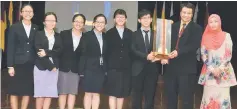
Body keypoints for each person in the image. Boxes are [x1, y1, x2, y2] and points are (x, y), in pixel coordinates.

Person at [161, 3, 203, 109]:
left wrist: (178, 52)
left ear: (192, 14)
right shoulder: (172, 26)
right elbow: (165, 43)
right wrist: (163, 56)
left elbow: (194, 45)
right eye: (184, 12)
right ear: (180, 13)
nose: (186, 15)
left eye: (189, 13)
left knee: (186, 100)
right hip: (171, 69)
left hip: (187, 70)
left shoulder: (197, 28)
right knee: (170, 99)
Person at [198, 14, 237, 109]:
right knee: (208, 97)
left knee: (223, 98)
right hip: (209, 71)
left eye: (216, 21)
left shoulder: (226, 35)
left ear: (219, 22)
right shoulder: (205, 37)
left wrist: (220, 68)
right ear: (208, 24)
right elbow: (204, 54)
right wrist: (212, 68)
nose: (213, 24)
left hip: (223, 72)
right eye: (211, 22)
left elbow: (228, 55)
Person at [6, 4, 38, 109]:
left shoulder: (36, 28)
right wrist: (10, 66)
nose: (28, 13)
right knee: (14, 91)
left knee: (27, 91)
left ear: (33, 14)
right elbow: (10, 47)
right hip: (17, 64)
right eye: (25, 11)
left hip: (30, 65)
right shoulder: (14, 27)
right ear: (21, 13)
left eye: (30, 11)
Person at [131, 9, 160, 109]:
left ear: (151, 19)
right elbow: (133, 50)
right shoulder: (133, 34)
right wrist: (146, 56)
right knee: (136, 96)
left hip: (152, 70)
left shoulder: (157, 34)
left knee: (150, 96)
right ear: (139, 20)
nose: (146, 20)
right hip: (137, 70)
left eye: (148, 18)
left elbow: (161, 49)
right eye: (143, 18)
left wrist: (159, 56)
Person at [104, 9, 133, 109]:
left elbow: (132, 51)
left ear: (126, 19)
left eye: (122, 17)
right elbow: (105, 52)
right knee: (112, 93)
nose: (120, 19)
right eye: (118, 17)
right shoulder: (109, 33)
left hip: (126, 68)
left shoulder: (130, 33)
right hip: (112, 68)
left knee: (122, 93)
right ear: (114, 19)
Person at [34, 12, 62, 109]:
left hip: (55, 67)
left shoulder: (58, 36)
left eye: (53, 20)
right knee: (40, 94)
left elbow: (59, 51)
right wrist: (51, 66)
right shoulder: (38, 34)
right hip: (41, 66)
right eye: (49, 20)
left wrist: (47, 52)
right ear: (44, 22)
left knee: (50, 93)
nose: (51, 22)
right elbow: (39, 52)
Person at [78, 14, 107, 109]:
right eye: (98, 22)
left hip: (101, 69)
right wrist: (81, 71)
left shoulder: (106, 37)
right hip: (88, 69)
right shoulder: (87, 36)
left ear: (105, 24)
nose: (100, 24)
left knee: (97, 93)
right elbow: (83, 54)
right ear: (93, 23)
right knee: (88, 93)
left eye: (102, 22)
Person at [58, 14, 86, 109]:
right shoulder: (64, 34)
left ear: (83, 24)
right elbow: (58, 50)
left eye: (81, 22)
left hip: (76, 69)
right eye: (76, 21)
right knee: (62, 92)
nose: (78, 23)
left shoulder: (86, 37)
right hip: (63, 68)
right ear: (73, 22)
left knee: (72, 93)